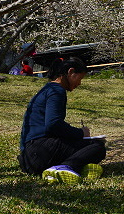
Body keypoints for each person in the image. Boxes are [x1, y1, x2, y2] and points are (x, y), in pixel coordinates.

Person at [18, 56, 106, 185]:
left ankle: (68, 168)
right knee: (98, 147)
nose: (79, 83)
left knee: (84, 146)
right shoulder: (56, 91)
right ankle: (64, 167)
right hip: (39, 151)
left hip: (29, 157)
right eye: (80, 78)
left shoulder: (46, 89)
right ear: (70, 72)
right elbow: (53, 125)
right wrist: (81, 133)